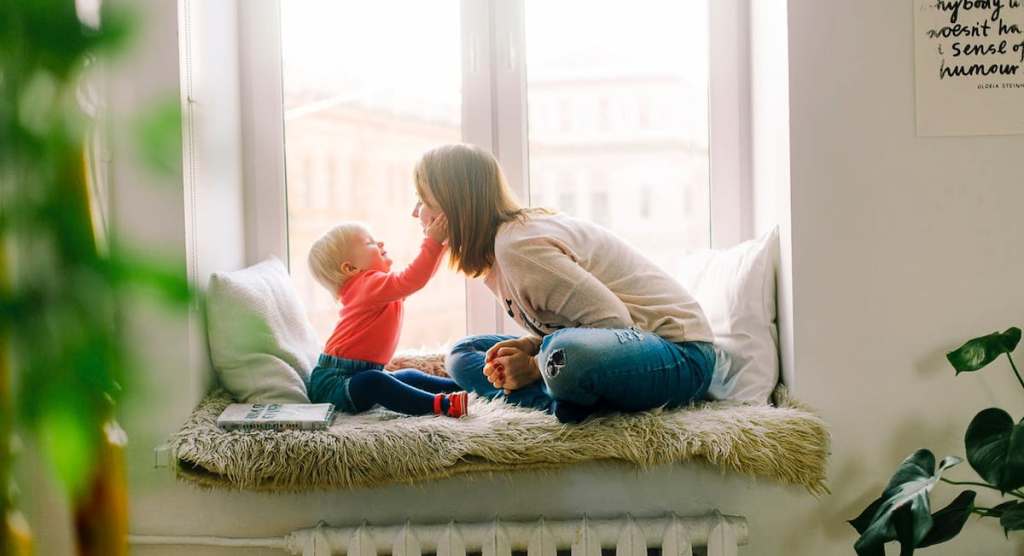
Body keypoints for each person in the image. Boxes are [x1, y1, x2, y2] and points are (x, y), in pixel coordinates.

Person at [412, 143, 716, 423]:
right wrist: (530, 348)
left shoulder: (518, 247)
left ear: (455, 208)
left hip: (680, 355)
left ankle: (556, 395)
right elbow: (569, 328)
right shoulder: (496, 256)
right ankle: (561, 401)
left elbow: (614, 323)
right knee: (464, 353)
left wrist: (532, 366)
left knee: (564, 354)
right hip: (614, 349)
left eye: (424, 201)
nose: (416, 212)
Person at [306, 217, 468, 418]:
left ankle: (462, 387)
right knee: (375, 382)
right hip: (334, 383)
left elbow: (418, 279)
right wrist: (434, 242)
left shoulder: (376, 288)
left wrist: (442, 246)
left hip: (358, 374)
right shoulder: (366, 285)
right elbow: (413, 279)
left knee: (408, 375)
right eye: (370, 243)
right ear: (350, 269)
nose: (380, 243)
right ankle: (441, 405)